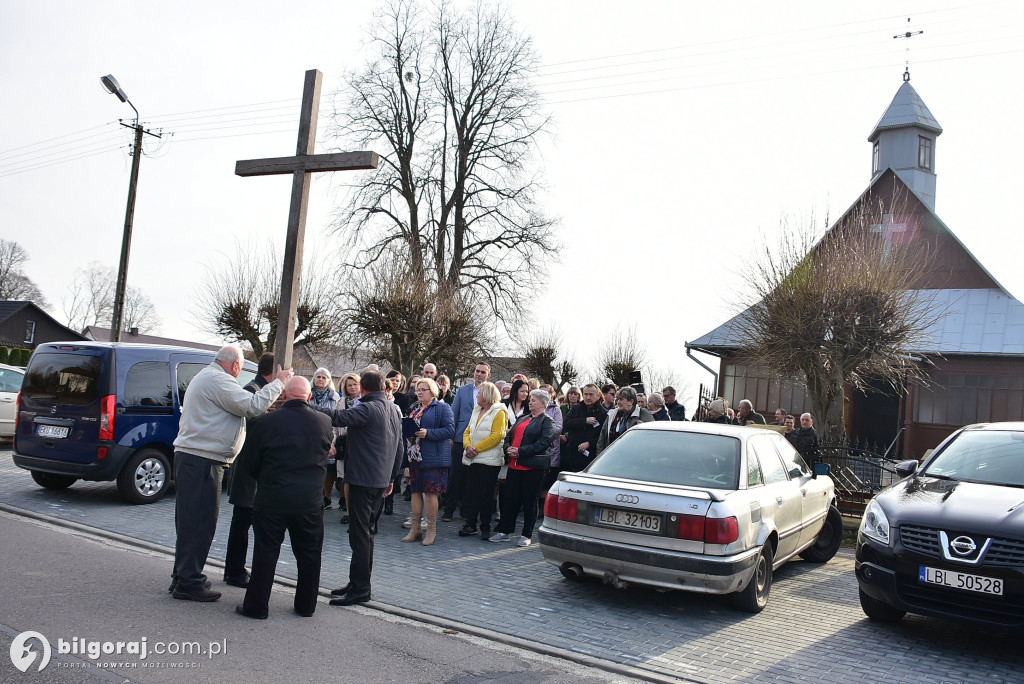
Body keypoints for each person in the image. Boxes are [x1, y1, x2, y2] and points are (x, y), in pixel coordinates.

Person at [170, 345, 290, 602]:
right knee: (200, 523)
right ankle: (189, 581)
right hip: (201, 459)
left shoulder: (207, 377)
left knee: (190, 521)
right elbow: (252, 405)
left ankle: (182, 576)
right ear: (236, 365)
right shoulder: (218, 380)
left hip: (196, 457)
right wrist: (279, 383)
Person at [235, 376, 333, 620]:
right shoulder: (324, 422)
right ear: (309, 397)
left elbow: (248, 463)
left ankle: (257, 606)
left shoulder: (265, 422)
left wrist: (266, 479)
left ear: (284, 396)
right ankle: (306, 605)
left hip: (272, 498)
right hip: (309, 501)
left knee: (266, 553)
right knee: (310, 554)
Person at [319, 370, 403, 606]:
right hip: (379, 480)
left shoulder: (367, 408)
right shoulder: (391, 409)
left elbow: (338, 417)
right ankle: (357, 582)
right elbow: (400, 447)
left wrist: (307, 406)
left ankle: (360, 588)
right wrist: (391, 478)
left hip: (362, 480)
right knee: (366, 533)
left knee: (360, 536)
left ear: (364, 388)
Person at [223, 351, 275, 589]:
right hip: (247, 466)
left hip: (255, 467)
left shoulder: (259, 389)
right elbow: (250, 421)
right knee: (242, 520)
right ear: (272, 372)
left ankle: (237, 568)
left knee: (246, 520)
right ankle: (234, 570)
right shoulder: (253, 390)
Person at [490, 390, 557, 547]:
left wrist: (521, 451)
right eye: (530, 399)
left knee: (530, 501)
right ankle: (504, 531)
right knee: (509, 499)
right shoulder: (523, 417)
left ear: (543, 403)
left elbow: (543, 443)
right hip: (515, 465)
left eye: (534, 400)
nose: (530, 402)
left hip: (533, 468)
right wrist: (508, 448)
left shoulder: (547, 422)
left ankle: (526, 534)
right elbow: (509, 435)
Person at [401, 378, 455, 546]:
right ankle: (415, 528)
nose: (420, 392)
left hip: (434, 457)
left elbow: (450, 430)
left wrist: (429, 433)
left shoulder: (442, 407)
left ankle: (431, 530)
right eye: (418, 389)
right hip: (415, 456)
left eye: (423, 389)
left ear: (432, 391)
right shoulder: (414, 408)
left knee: (431, 492)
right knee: (415, 491)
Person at [457, 382, 508, 539]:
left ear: (486, 395)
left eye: (479, 393)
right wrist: (467, 446)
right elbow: (467, 430)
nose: (477, 395)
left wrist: (476, 448)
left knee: (486, 495)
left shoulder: (500, 411)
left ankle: (485, 526)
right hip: (472, 459)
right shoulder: (477, 409)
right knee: (471, 492)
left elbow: (497, 436)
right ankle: (470, 524)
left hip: (489, 461)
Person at [444, 362, 492, 523]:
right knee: (455, 475)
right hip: (459, 439)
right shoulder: (462, 391)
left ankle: (465, 511)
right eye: (477, 371)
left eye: (483, 372)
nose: (479, 374)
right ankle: (448, 510)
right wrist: (451, 436)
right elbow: (453, 414)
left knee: (471, 479)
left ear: (488, 375)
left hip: (479, 441)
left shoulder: (491, 392)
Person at [309, 367, 341, 509]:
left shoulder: (335, 398)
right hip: (310, 434)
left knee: (329, 467)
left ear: (329, 381)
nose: (321, 379)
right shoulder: (308, 394)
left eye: (324, 377)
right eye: (318, 377)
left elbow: (337, 422)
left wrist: (332, 442)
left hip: (328, 434)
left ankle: (327, 496)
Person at [331, 372, 361, 524]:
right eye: (350, 385)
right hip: (344, 443)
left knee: (358, 479)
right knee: (346, 479)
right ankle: (349, 511)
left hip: (359, 444)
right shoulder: (341, 402)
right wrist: (334, 442)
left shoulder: (363, 402)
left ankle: (358, 511)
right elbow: (335, 426)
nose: (353, 387)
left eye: (355, 384)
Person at [561, 383, 608, 473]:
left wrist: (589, 443)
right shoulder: (576, 408)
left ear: (598, 396)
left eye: (591, 394)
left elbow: (603, 435)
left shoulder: (603, 413)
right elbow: (566, 423)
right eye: (586, 394)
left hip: (591, 457)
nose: (588, 397)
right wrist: (584, 421)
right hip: (573, 455)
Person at [595, 386, 655, 455]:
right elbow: (601, 440)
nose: (618, 402)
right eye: (617, 399)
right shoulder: (612, 414)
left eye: (621, 399)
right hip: (612, 457)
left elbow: (652, 438)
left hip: (635, 458)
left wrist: (643, 431)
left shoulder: (643, 413)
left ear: (631, 401)